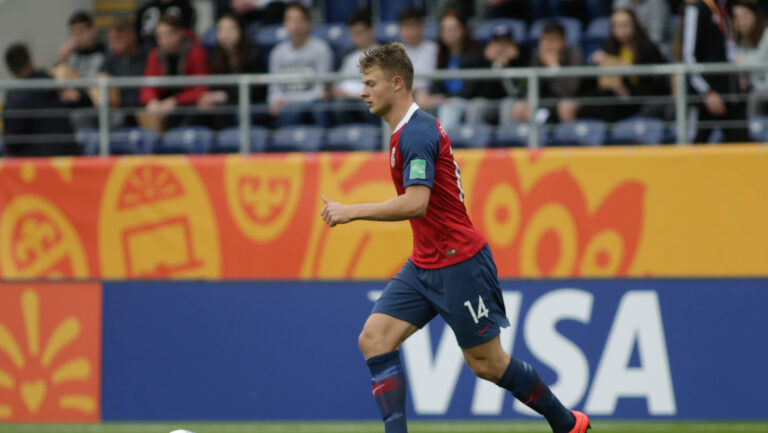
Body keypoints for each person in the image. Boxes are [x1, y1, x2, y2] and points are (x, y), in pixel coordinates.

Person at [319, 42, 591, 433]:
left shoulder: (416, 133)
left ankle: (567, 424)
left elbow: (416, 203)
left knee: (487, 364)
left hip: (459, 262)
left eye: (370, 83)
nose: (363, 91)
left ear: (397, 84)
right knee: (374, 338)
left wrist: (351, 211)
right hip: (425, 261)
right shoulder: (403, 132)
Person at [680, 0, 750, 143]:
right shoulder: (697, 9)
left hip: (730, 95)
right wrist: (707, 92)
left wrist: (738, 78)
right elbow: (688, 56)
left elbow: (728, 49)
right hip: (707, 98)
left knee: (742, 145)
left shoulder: (724, 8)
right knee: (694, 147)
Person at [582, 8, 669, 121]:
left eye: (625, 24)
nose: (621, 29)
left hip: (641, 100)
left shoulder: (648, 49)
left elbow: (658, 86)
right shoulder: (609, 49)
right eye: (616, 25)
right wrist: (595, 63)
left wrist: (627, 88)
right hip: (615, 100)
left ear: (634, 25)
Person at [2, 44, 81, 157]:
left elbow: (12, 141)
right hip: (70, 155)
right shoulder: (51, 86)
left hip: (38, 162)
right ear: (31, 63)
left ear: (11, 69)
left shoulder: (16, 97)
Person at [506, 21, 587, 124]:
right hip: (543, 102)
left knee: (566, 107)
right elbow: (526, 89)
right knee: (519, 108)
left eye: (553, 40)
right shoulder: (536, 57)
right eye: (545, 40)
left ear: (564, 42)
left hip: (568, 101)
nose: (548, 45)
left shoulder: (575, 55)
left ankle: (568, 138)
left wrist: (554, 67)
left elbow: (569, 92)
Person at [267, 2, 333, 127]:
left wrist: (293, 100)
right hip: (288, 104)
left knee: (317, 110)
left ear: (308, 23)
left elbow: (321, 89)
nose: (295, 25)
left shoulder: (321, 49)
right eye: (291, 20)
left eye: (299, 20)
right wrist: (277, 101)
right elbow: (274, 89)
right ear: (284, 23)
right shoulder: (277, 52)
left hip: (311, 103)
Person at [199, 12, 268, 129]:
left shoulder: (253, 53)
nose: (226, 34)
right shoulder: (215, 56)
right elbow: (214, 87)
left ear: (240, 31)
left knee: (226, 112)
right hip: (226, 104)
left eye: (231, 29)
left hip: (251, 103)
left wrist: (224, 96)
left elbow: (256, 91)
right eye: (222, 30)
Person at [140, 14, 209, 130]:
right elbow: (147, 87)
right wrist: (153, 101)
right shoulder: (155, 55)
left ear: (180, 33)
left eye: (168, 34)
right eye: (160, 35)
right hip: (163, 105)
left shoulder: (196, 52)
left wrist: (176, 101)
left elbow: (201, 88)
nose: (164, 40)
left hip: (188, 105)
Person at [422, 10, 487, 127]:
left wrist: (445, 99)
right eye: (445, 29)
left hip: (468, 102)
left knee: (449, 107)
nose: (449, 33)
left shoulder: (476, 54)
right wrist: (430, 97)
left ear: (463, 29)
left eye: (453, 28)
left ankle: (443, 144)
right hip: (444, 101)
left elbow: (471, 90)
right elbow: (436, 86)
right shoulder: (440, 56)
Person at [330, 8, 379, 125]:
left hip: (369, 100)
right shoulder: (350, 57)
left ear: (371, 30)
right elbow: (339, 84)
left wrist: (352, 94)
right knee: (337, 106)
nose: (357, 37)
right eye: (353, 33)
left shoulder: (384, 54)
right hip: (349, 100)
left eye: (360, 32)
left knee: (368, 105)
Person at [101, 18, 148, 128]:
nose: (115, 44)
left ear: (132, 36)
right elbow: (100, 78)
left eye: (120, 39)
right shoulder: (110, 58)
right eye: (113, 40)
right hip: (118, 109)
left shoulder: (147, 56)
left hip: (142, 108)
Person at [730, 0, 768, 117]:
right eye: (737, 17)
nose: (741, 22)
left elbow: (761, 63)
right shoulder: (741, 42)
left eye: (745, 15)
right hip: (756, 93)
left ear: (756, 15)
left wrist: (744, 61)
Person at [397, 7, 438, 97]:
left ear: (421, 26)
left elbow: (426, 81)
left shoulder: (433, 48)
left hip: (426, 94)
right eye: (404, 26)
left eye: (411, 26)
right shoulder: (397, 52)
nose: (407, 31)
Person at [58, 10, 107, 79]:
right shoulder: (69, 55)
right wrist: (63, 61)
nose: (77, 37)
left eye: (81, 32)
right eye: (73, 33)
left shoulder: (105, 54)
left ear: (93, 30)